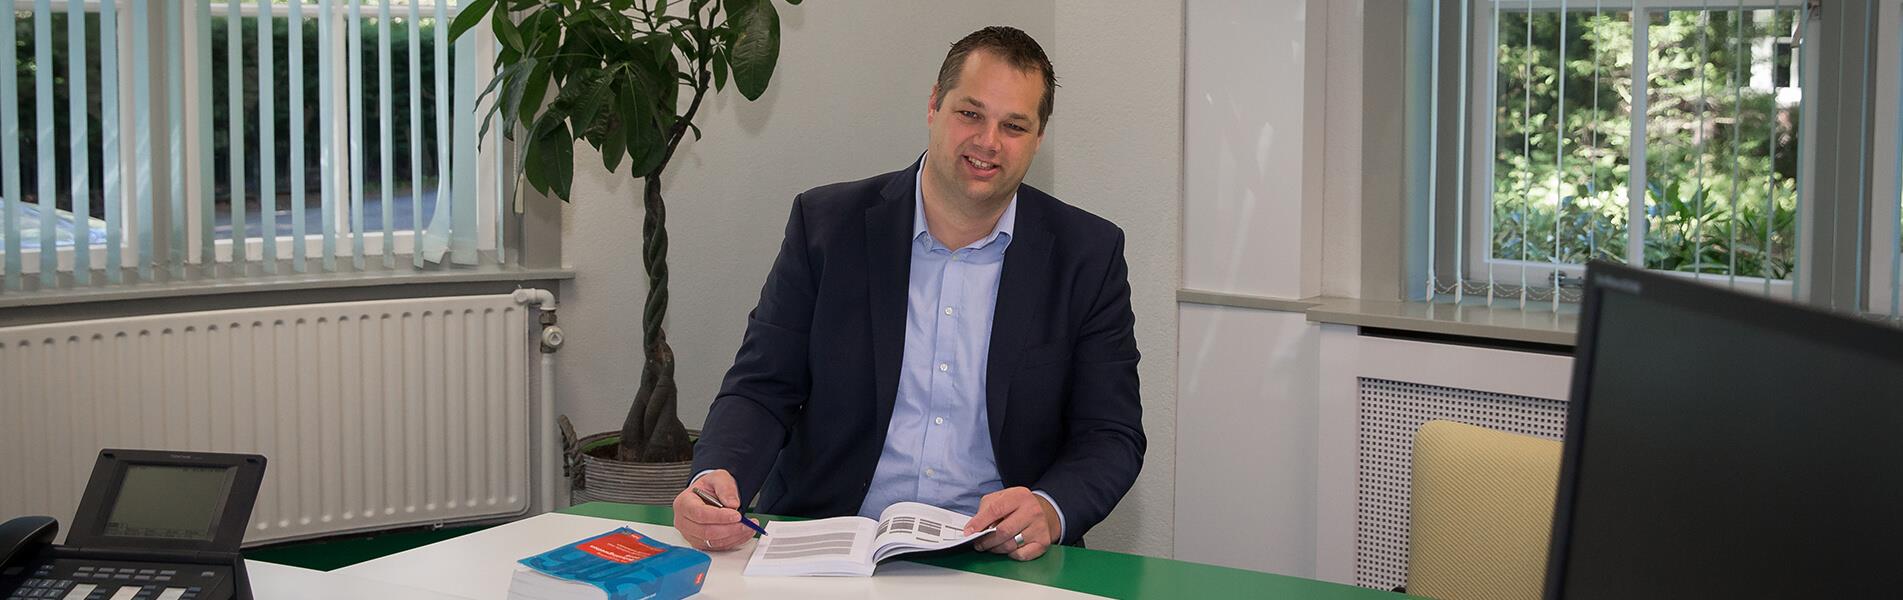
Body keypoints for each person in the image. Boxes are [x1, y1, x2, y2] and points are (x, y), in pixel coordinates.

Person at [673, 26, 1144, 562]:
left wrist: (1049, 507)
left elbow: (1110, 433)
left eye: (1014, 126)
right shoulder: (828, 226)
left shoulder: (1088, 254)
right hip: (833, 543)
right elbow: (761, 387)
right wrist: (716, 479)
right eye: (970, 113)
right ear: (933, 107)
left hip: (997, 556)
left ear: (1038, 139)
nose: (988, 141)